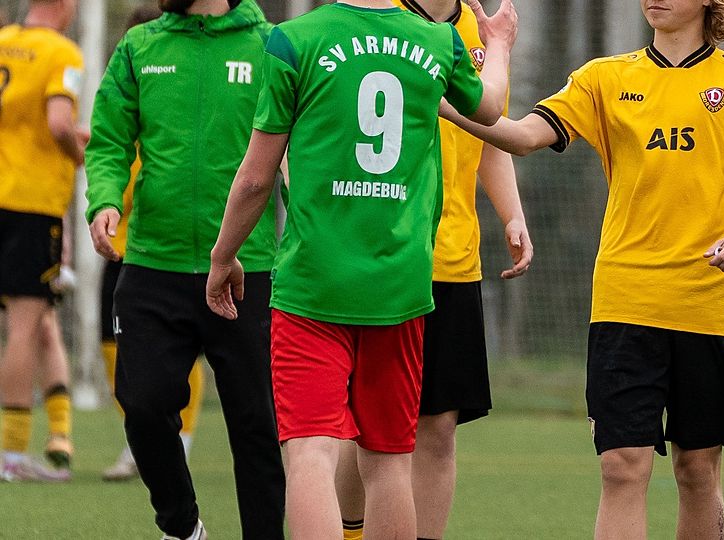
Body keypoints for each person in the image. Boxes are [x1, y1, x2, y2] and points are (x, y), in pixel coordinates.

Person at [441, 0, 724, 537]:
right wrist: (441, 101)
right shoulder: (604, 78)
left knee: (698, 470)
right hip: (624, 303)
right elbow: (523, 136)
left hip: (708, 304)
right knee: (621, 466)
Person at [205, 0, 517, 537]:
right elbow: (490, 110)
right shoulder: (437, 41)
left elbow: (256, 179)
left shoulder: (293, 40)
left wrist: (222, 256)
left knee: (310, 454)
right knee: (390, 460)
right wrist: (502, 46)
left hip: (312, 287)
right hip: (402, 288)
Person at [84, 0, 285, 538]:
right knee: (143, 406)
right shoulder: (139, 46)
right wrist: (104, 198)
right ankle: (183, 528)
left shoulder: (270, 46)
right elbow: (109, 138)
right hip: (153, 265)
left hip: (248, 270)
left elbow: (301, 151)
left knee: (258, 427)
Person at [333, 1, 532, 539]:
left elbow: (490, 133)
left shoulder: (480, 30)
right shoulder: (376, 18)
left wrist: (512, 215)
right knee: (367, 425)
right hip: (382, 257)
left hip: (453, 261)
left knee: (440, 427)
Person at [96, 2, 206, 484]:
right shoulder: (125, 94)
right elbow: (109, 151)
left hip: (170, 248)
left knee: (186, 350)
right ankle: (140, 437)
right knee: (112, 345)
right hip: (120, 247)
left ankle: (181, 439)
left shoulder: (183, 100)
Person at [0, 0, 84, 483]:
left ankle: (59, 438)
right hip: (30, 206)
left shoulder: (3, 42)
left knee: (40, 323)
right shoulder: (62, 53)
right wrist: (79, 153)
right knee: (24, 327)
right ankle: (11, 457)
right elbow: (58, 124)